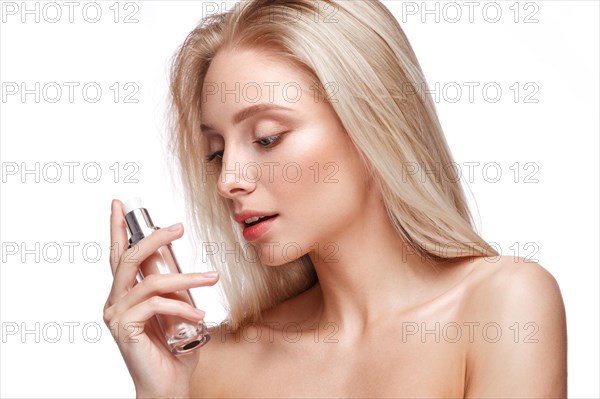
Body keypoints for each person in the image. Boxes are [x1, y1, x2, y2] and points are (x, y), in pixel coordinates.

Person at [104, 0, 567, 397]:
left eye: (267, 138)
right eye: (216, 153)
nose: (228, 180)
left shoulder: (501, 306)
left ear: (374, 124)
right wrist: (163, 393)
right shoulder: (212, 364)